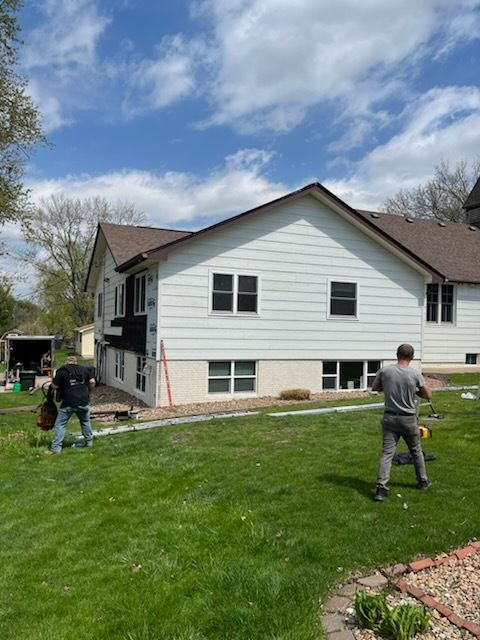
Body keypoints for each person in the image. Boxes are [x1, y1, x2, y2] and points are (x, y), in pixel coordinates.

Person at [371, 343, 432, 501]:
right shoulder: (414, 373)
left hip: (390, 418)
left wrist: (391, 388)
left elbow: (375, 387)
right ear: (411, 357)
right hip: (408, 419)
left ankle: (381, 488)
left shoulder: (385, 371)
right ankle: (422, 481)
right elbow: (428, 395)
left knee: (387, 453)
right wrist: (416, 390)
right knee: (416, 451)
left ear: (397, 355)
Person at [45, 356, 96, 454]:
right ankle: (89, 442)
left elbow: (55, 386)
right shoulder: (84, 369)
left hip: (69, 402)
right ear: (75, 362)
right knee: (85, 421)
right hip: (84, 401)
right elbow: (92, 381)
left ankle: (56, 448)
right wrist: (88, 391)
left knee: (60, 424)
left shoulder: (62, 371)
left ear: (66, 363)